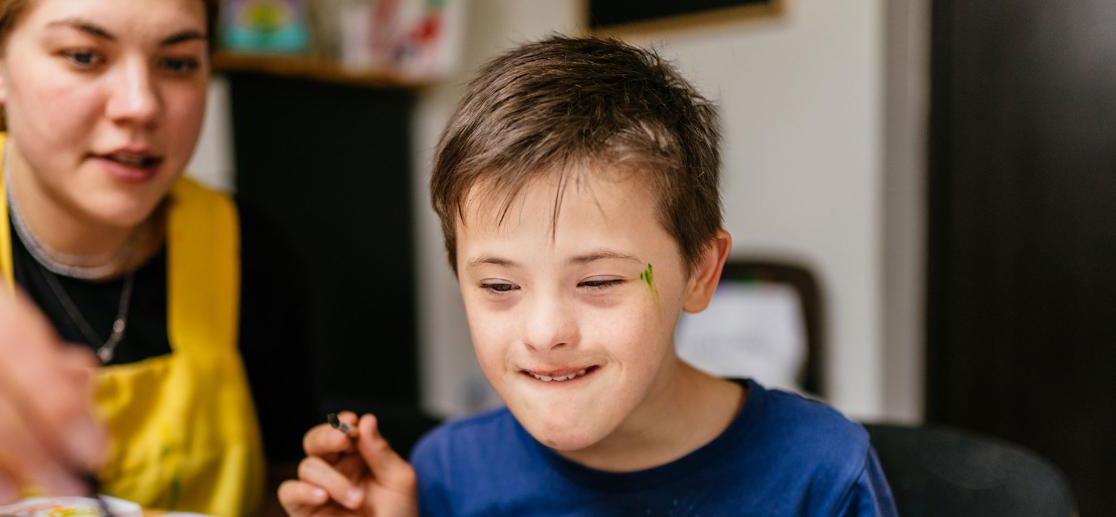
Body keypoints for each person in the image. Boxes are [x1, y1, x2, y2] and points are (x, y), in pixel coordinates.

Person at [278, 35, 898, 516]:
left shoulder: (819, 470)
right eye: (499, 286)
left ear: (700, 271)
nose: (545, 332)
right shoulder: (447, 474)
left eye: (599, 282)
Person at [0, 0, 315, 515]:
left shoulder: (246, 249)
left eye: (177, 62)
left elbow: (276, 482)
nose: (140, 105)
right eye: (84, 56)